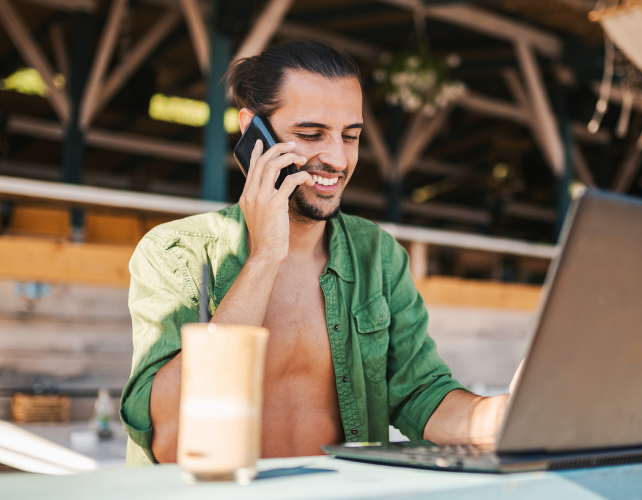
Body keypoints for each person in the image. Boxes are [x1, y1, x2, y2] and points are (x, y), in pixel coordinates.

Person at [120, 39, 511, 467]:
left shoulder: (378, 255)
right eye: (310, 135)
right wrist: (265, 257)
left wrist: (507, 414)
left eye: (350, 136)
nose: (337, 159)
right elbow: (171, 439)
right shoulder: (176, 252)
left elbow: (421, 395)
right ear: (253, 132)